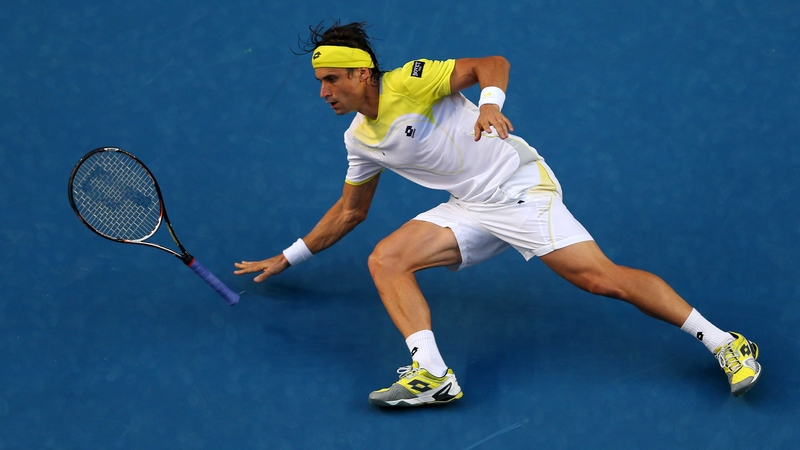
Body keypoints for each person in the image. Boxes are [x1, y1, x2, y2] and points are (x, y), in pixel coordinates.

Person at [234, 21, 761, 407]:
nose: (323, 92)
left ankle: (726, 344)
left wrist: (488, 103)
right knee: (387, 259)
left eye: (331, 79)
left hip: (517, 187)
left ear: (361, 73)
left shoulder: (410, 81)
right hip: (471, 206)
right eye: (320, 82)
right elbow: (350, 212)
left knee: (601, 280)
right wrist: (289, 257)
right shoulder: (359, 140)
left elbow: (493, 62)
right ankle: (433, 375)